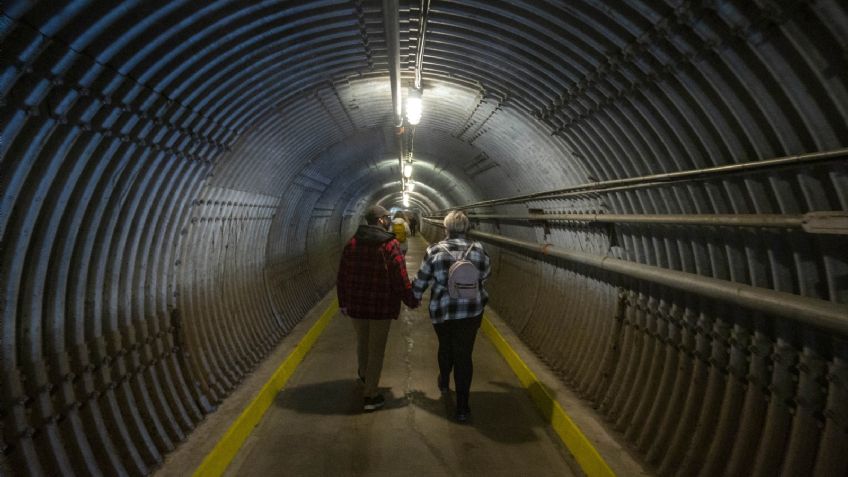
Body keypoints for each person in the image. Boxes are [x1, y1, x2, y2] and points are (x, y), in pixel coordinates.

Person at [337, 205, 418, 411]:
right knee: (376, 350)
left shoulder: (352, 244)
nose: (388, 220)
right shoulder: (390, 246)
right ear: (381, 220)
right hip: (381, 307)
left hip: (357, 305)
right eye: (387, 217)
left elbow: (342, 276)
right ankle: (371, 395)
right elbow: (400, 278)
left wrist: (343, 302)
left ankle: (364, 377)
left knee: (362, 343)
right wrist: (411, 300)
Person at [412, 210, 491, 422]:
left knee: (445, 346)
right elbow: (485, 274)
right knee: (464, 355)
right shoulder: (479, 250)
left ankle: (445, 381)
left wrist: (414, 296)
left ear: (445, 228)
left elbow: (422, 280)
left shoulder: (434, 250)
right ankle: (463, 408)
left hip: (443, 311)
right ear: (466, 228)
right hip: (471, 311)